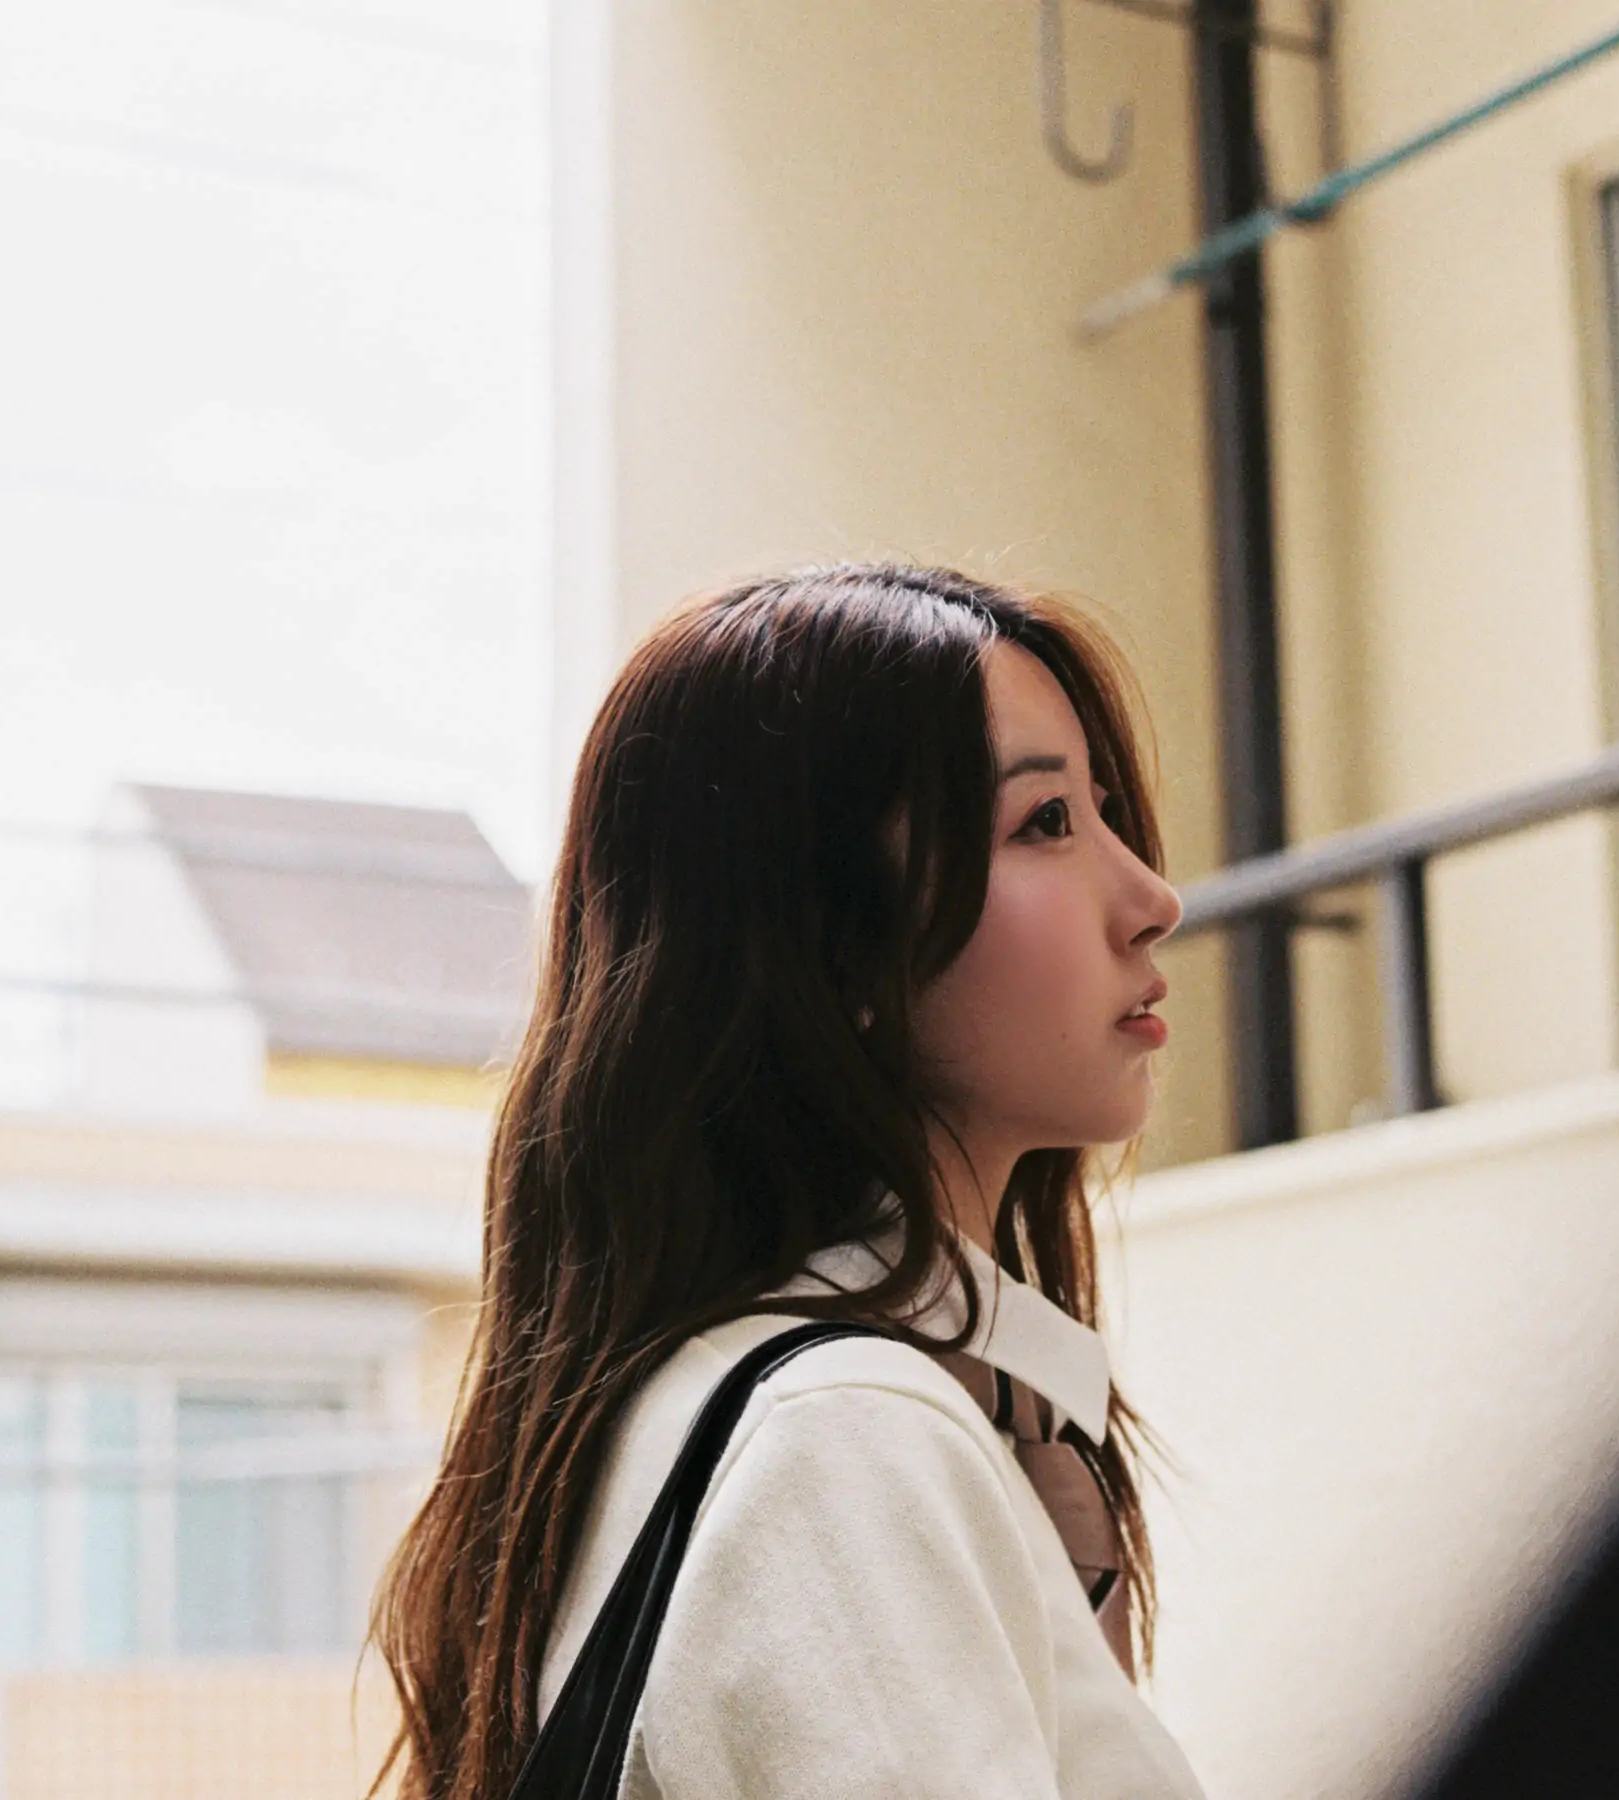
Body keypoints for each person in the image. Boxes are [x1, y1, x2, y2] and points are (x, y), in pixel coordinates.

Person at [371, 563, 1207, 1799]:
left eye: (1103, 810)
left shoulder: (746, 1399)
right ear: (830, 947)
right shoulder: (842, 1437)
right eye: (1043, 823)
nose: (1150, 898)